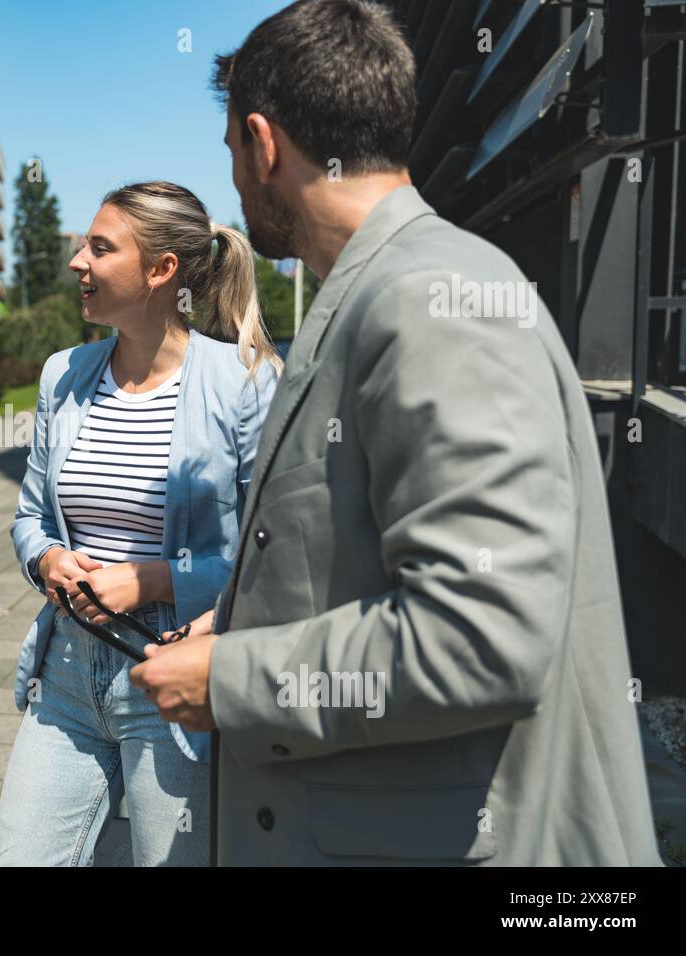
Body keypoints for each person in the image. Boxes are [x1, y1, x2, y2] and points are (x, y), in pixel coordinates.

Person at [130, 0, 661, 866]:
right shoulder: (386, 294)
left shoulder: (426, 303)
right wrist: (231, 629)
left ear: (264, 144)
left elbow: (481, 635)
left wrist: (230, 678)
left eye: (232, 152)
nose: (233, 177)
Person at [0, 181, 280, 866]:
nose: (76, 263)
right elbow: (31, 517)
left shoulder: (245, 381)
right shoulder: (65, 373)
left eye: (100, 248)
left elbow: (271, 556)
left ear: (160, 271)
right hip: (65, 670)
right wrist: (48, 561)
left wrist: (152, 579)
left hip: (171, 674)